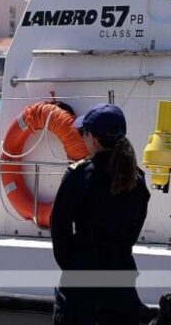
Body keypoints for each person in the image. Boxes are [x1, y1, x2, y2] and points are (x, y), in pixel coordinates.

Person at [51, 104, 150, 325]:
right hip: (121, 278)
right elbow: (135, 227)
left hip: (82, 278)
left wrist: (73, 265)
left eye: (83, 133)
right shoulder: (137, 179)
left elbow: (60, 230)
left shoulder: (78, 176)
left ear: (93, 139)